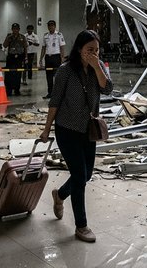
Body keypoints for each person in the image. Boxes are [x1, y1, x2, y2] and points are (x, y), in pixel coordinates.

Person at [39, 30, 113, 243]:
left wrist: (97, 65)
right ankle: (81, 226)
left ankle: (60, 195)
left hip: (88, 130)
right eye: (89, 50)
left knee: (87, 174)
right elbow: (54, 102)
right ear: (79, 49)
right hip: (67, 129)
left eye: (96, 50)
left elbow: (107, 89)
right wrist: (46, 129)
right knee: (80, 176)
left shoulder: (98, 68)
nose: (93, 53)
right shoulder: (65, 71)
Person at [39, 20, 65, 99]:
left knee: (57, 76)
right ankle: (50, 93)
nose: (50, 27)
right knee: (49, 76)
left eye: (52, 25)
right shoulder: (45, 35)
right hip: (48, 57)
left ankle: (58, 93)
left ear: (55, 26)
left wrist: (62, 58)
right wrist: (41, 58)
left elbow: (62, 47)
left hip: (56, 57)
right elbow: (43, 48)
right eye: (49, 26)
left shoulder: (59, 35)